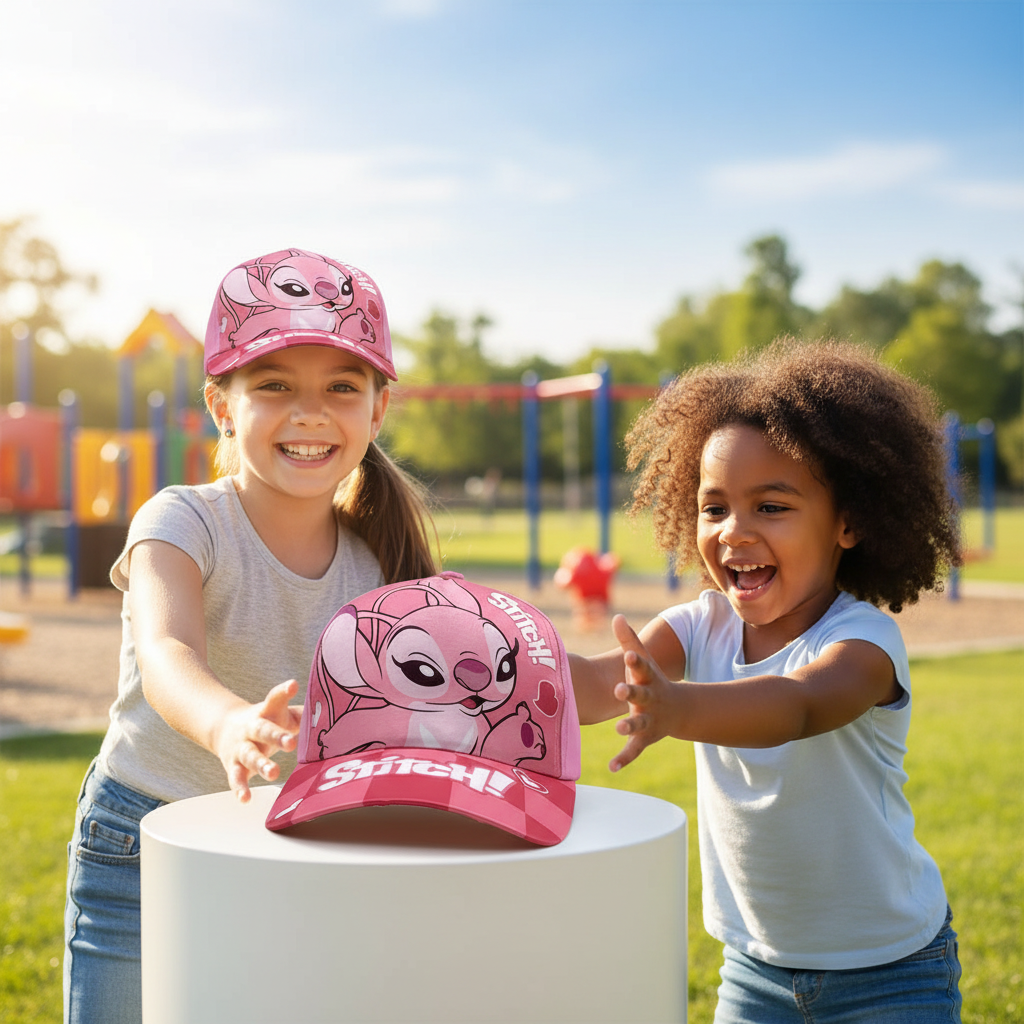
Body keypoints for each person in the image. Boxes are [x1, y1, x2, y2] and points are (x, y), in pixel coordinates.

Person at [63, 248, 437, 1024]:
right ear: (222, 405)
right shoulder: (182, 519)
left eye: (342, 386)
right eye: (275, 387)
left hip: (295, 845)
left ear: (377, 410)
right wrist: (228, 722)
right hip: (143, 841)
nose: (309, 412)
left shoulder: (380, 564)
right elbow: (168, 654)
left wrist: (634, 688)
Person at [570, 339, 964, 1022]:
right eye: (714, 507)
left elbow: (799, 705)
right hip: (755, 973)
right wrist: (492, 653)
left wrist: (676, 708)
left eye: (771, 507)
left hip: (893, 974)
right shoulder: (699, 625)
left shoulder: (862, 642)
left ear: (849, 522)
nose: (733, 532)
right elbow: (597, 686)